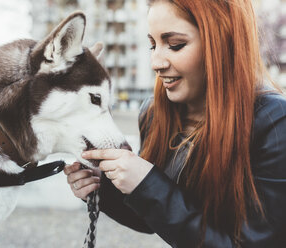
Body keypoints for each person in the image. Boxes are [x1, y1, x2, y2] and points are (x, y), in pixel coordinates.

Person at [64, 0, 286, 247]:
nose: (156, 63)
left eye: (175, 45)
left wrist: (148, 185)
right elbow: (153, 220)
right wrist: (104, 187)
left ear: (222, 41)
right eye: (153, 45)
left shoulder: (274, 123)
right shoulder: (154, 114)